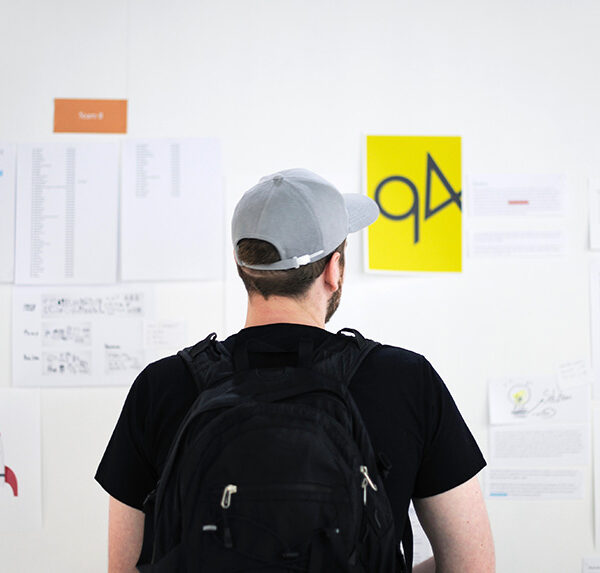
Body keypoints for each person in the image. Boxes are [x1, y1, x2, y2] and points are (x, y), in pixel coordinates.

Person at [96, 168, 495, 572]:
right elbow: (472, 565)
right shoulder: (405, 380)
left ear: (242, 266)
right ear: (334, 269)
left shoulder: (161, 386)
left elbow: (124, 568)